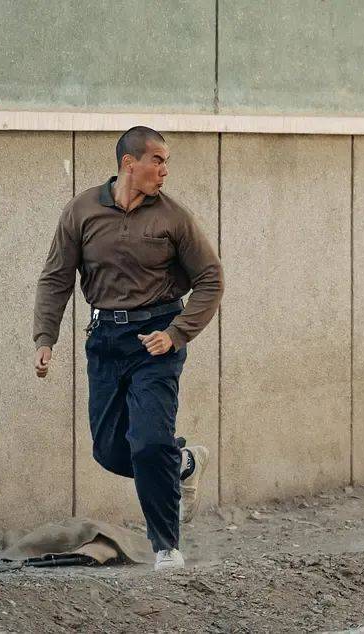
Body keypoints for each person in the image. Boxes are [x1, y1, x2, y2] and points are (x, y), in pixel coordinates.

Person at [32, 126, 224, 570]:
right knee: (109, 451)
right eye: (158, 160)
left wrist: (176, 334)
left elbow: (211, 278)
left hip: (155, 340)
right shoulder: (82, 210)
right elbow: (56, 278)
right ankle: (183, 462)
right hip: (104, 341)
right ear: (128, 163)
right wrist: (45, 338)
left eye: (167, 162)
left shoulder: (174, 217)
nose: (165, 170)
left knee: (149, 443)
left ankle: (166, 547)